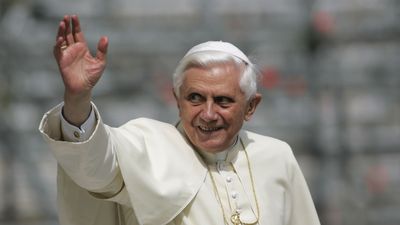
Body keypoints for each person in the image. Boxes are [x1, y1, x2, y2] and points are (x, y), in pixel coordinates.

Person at [39, 15, 321, 225]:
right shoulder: (147, 146)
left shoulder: (277, 156)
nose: (208, 114)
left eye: (223, 101)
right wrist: (77, 98)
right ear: (177, 99)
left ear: (251, 106)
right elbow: (92, 166)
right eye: (195, 98)